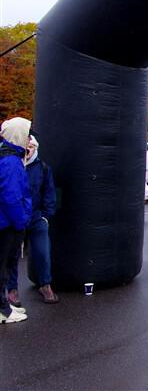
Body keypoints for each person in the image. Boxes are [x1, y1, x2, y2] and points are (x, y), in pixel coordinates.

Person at [7, 136, 58, 305]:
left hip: (36, 217)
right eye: (26, 146)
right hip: (16, 218)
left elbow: (49, 193)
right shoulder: (14, 165)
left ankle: (45, 285)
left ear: (35, 148)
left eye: (31, 146)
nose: (28, 149)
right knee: (13, 255)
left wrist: (45, 216)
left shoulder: (42, 168)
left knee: (42, 252)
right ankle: (12, 289)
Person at [0, 117, 32, 324]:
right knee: (3, 266)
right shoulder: (11, 163)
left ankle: (4, 305)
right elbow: (11, 197)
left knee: (7, 266)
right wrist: (21, 221)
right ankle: (2, 310)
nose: (29, 138)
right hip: (7, 225)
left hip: (9, 223)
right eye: (27, 134)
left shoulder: (12, 158)